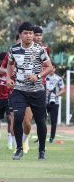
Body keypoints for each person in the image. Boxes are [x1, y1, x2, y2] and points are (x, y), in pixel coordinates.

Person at [7, 21, 53, 160]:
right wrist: (9, 78)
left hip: (37, 90)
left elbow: (49, 67)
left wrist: (37, 76)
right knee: (18, 117)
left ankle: (42, 151)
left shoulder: (40, 50)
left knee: (40, 121)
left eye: (31, 33)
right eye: (26, 33)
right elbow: (10, 64)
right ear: (20, 35)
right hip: (19, 89)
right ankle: (19, 149)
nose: (29, 36)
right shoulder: (13, 49)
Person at [45, 64, 65, 143]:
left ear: (55, 69)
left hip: (54, 103)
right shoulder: (44, 77)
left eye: (53, 68)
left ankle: (51, 138)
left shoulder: (59, 78)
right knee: (42, 120)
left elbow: (63, 89)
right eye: (50, 68)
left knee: (53, 122)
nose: (51, 69)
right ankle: (41, 136)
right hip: (45, 102)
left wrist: (56, 94)